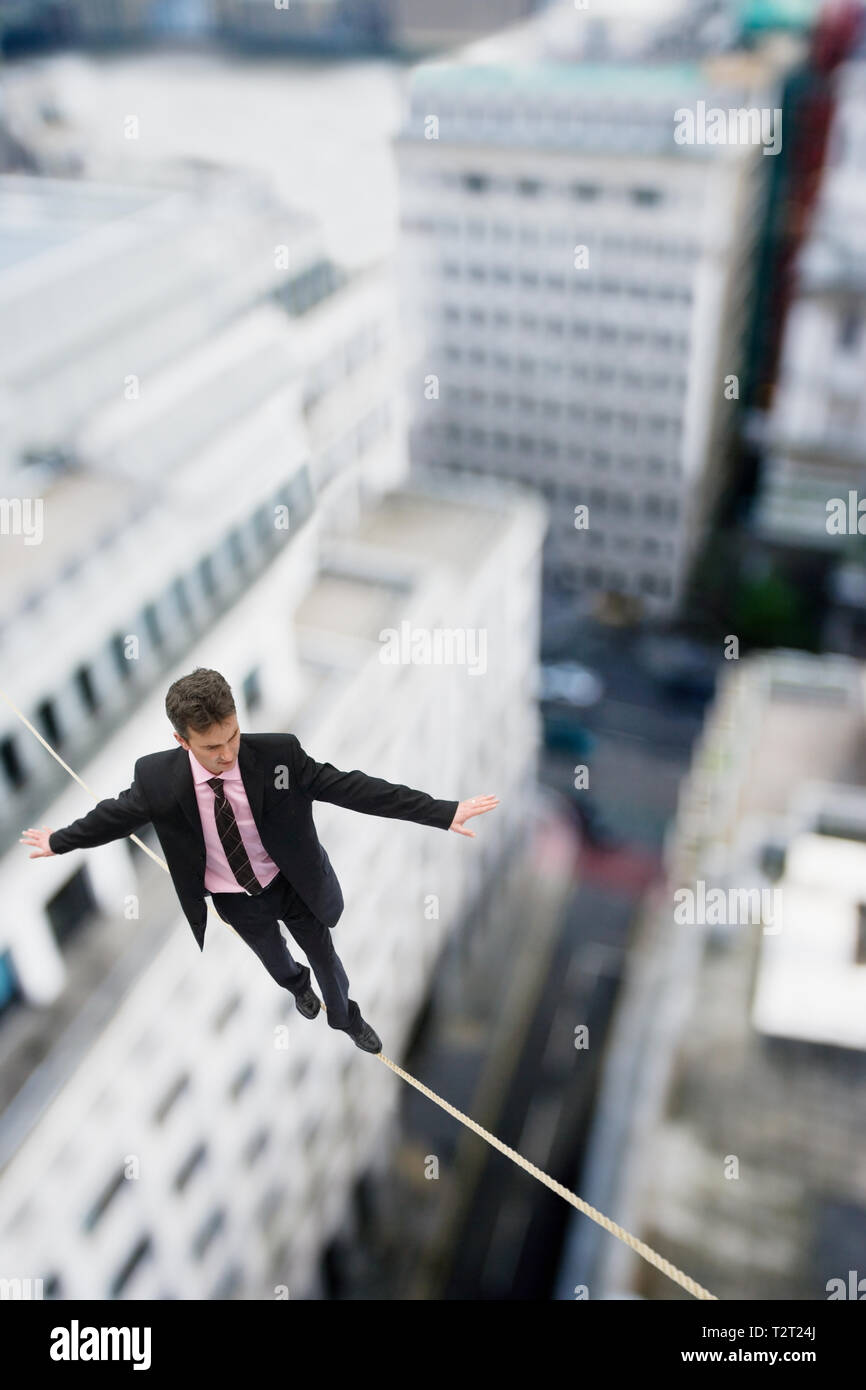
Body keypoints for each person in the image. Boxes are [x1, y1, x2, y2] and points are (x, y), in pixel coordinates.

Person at [20, 668, 499, 1054]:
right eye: (211, 746)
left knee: (326, 959)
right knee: (275, 961)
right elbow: (114, 816)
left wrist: (443, 812)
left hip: (292, 884)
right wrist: (59, 842)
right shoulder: (157, 780)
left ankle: (346, 1018)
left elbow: (356, 788)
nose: (227, 753)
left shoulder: (279, 757)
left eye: (233, 736)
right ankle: (296, 987)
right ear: (181, 740)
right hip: (235, 897)